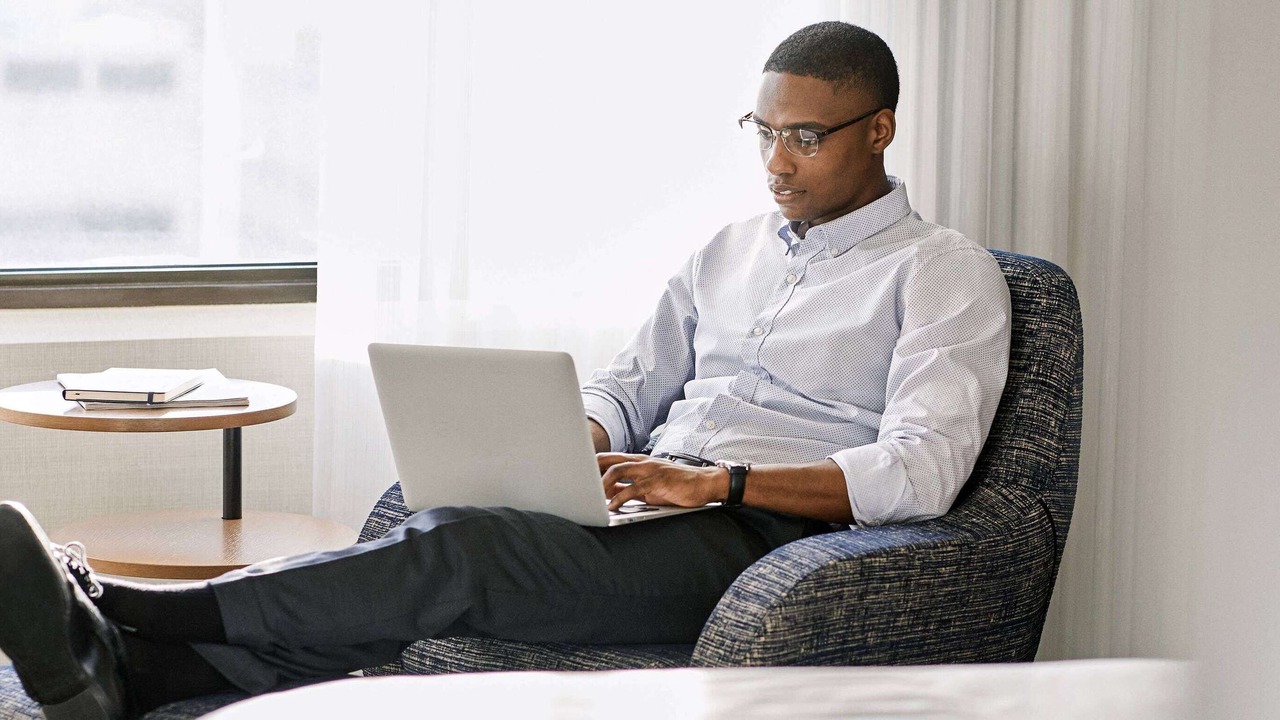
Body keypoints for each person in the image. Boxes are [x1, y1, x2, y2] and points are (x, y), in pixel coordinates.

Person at [0, 21, 1010, 720]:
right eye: (762, 132)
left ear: (876, 129)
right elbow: (630, 383)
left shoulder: (941, 272)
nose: (776, 162)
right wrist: (581, 437)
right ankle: (133, 678)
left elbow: (920, 471)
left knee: (459, 553)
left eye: (804, 137)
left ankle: (133, 609)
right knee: (431, 565)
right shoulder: (726, 250)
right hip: (648, 505)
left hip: (749, 537)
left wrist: (720, 483)